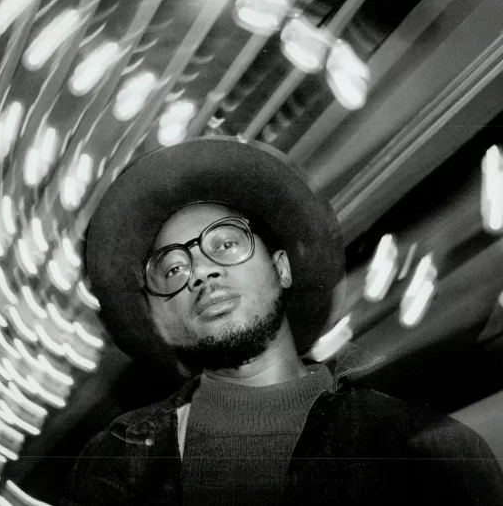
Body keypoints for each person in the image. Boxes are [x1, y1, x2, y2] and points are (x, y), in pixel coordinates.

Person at [61, 137, 503, 505]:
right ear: (164, 317)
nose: (201, 272)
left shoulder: (427, 455)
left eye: (227, 243)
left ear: (282, 269)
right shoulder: (114, 464)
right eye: (173, 269)